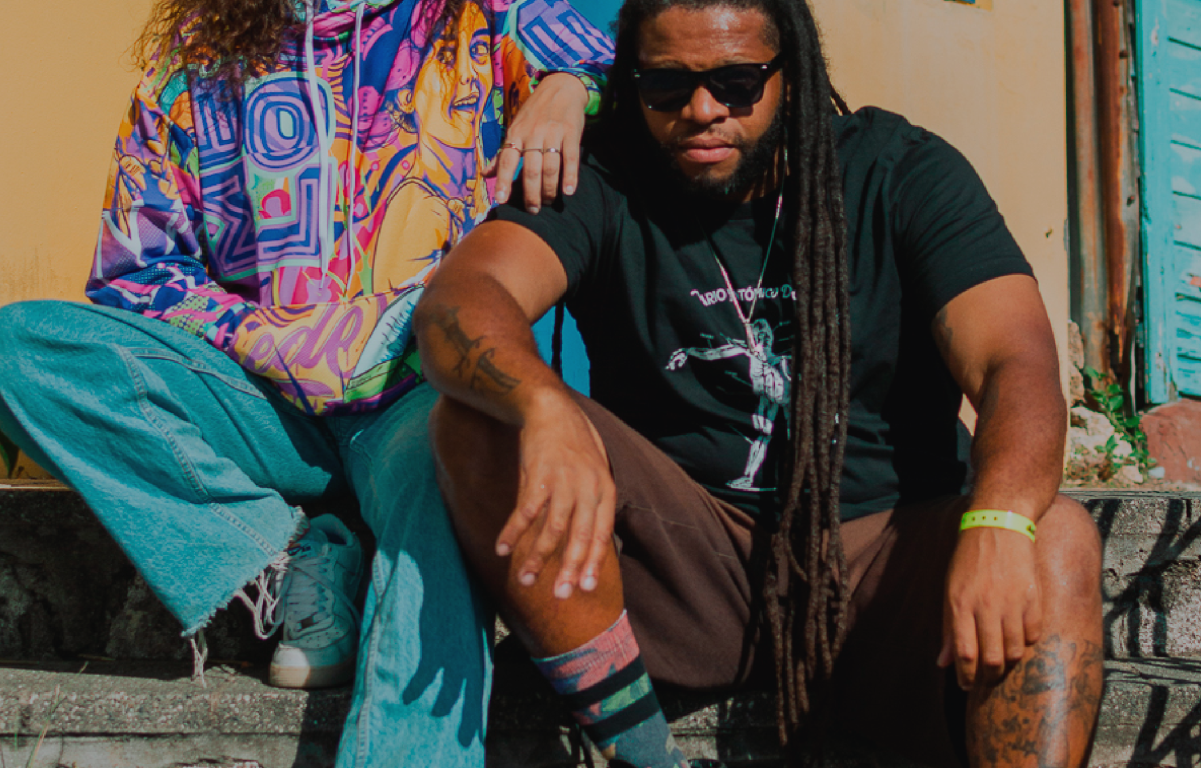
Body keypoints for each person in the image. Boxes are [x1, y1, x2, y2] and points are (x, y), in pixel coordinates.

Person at [413, 0, 1106, 764]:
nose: (702, 110)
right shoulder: (605, 176)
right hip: (690, 566)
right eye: (666, 85)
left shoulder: (899, 170)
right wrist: (543, 405)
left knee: (1057, 539)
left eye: (737, 82)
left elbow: (1016, 362)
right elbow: (463, 299)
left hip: (888, 560)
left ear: (793, 75)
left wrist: (1000, 521)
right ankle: (643, 753)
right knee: (480, 418)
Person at [0, 0, 612, 764]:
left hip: (419, 397)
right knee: (19, 351)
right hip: (260, 402)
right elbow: (137, 268)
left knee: (453, 472)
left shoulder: (478, 14)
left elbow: (646, 70)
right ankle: (292, 556)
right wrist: (277, 341)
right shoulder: (198, 50)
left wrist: (569, 85)